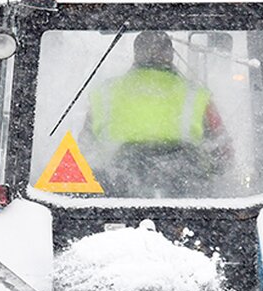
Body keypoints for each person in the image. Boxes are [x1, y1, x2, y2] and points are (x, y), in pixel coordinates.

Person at [85, 30, 231, 196]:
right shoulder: (197, 95)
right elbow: (222, 153)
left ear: (136, 54)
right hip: (187, 198)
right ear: (169, 55)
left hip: (119, 197)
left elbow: (86, 149)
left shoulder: (104, 94)